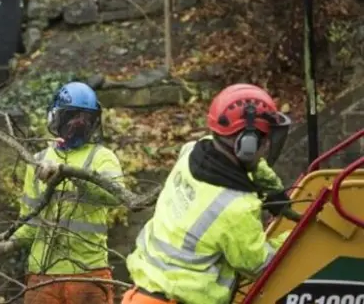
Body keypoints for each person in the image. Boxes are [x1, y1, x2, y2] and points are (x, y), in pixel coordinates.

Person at [122, 84, 293, 304]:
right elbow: (261, 264)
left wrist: (273, 189)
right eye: (264, 140)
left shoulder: (192, 152)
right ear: (247, 144)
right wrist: (297, 235)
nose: (267, 147)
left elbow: (251, 165)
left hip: (141, 295)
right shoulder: (235, 207)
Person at [0, 81, 125, 304]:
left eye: (85, 118)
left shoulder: (102, 157)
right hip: (42, 275)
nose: (79, 124)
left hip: (88, 272)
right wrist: (7, 244)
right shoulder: (37, 161)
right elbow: (30, 221)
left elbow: (116, 195)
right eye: (73, 117)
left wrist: (68, 174)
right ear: (58, 117)